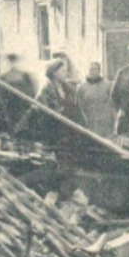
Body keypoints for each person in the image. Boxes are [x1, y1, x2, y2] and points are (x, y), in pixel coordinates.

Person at [35, 57, 81, 199]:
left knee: (69, 158)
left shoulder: (67, 87)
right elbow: (40, 108)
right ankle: (55, 190)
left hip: (68, 128)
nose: (65, 73)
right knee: (57, 160)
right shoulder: (46, 88)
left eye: (66, 70)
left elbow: (74, 107)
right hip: (54, 130)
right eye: (62, 70)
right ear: (53, 72)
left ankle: (67, 189)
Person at [75, 61, 116, 137]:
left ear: (99, 71)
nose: (93, 72)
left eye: (95, 69)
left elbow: (113, 103)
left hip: (105, 123)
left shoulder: (108, 85)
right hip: (90, 122)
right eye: (91, 69)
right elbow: (79, 106)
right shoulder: (81, 87)